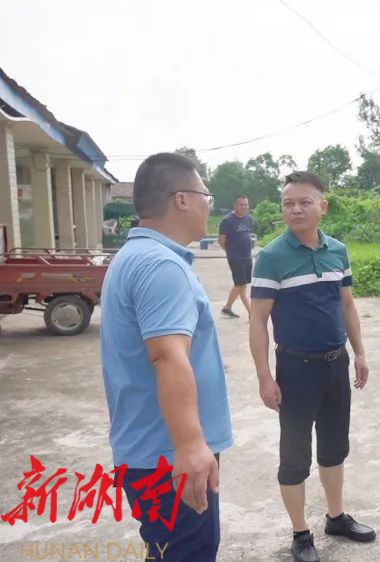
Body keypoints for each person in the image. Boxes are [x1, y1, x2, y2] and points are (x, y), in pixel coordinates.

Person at [100, 152, 232, 561]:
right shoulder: (161, 267)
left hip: (152, 450)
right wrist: (190, 445)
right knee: (188, 552)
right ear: (182, 200)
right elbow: (168, 357)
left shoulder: (135, 257)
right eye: (206, 195)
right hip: (169, 457)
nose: (209, 205)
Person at [249, 171, 374, 562]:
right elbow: (258, 320)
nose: (296, 209)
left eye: (305, 202)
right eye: (288, 203)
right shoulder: (272, 257)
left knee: (335, 446)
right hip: (295, 371)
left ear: (323, 206)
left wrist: (360, 352)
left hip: (335, 365)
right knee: (294, 456)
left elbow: (347, 305)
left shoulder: (338, 250)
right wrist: (265, 377)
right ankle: (301, 533)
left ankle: (336, 517)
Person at [218, 194, 254, 318]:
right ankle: (251, 314)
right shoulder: (227, 221)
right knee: (241, 286)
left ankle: (227, 307)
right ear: (234, 205)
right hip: (235, 258)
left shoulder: (249, 218)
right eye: (241, 204)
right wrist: (230, 252)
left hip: (247, 257)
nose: (244, 207)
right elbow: (221, 240)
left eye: (246, 204)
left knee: (241, 285)